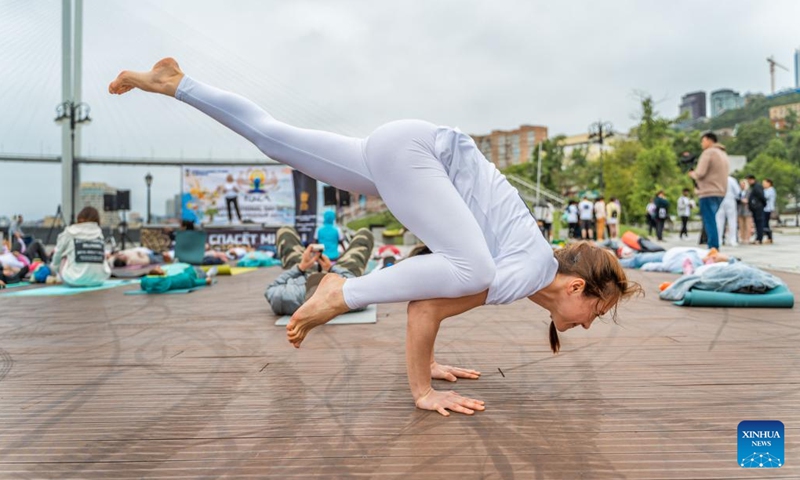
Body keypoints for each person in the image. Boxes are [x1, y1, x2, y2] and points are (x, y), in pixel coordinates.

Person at [110, 58, 641, 416]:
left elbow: (425, 309)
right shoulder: (527, 270)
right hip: (419, 155)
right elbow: (425, 304)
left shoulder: (522, 264)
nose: (591, 324)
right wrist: (422, 393)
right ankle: (340, 291)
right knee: (472, 270)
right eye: (599, 310)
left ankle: (174, 82)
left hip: (407, 148)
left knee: (274, 139)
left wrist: (427, 367)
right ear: (576, 289)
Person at [266, 227, 373, 315]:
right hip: (338, 275)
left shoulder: (291, 297)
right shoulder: (345, 299)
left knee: (285, 231)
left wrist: (300, 267)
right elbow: (359, 288)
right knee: (365, 234)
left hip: (305, 272)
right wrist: (331, 268)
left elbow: (271, 288)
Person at [50, 207, 111, 287]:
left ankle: (60, 275)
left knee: (63, 254)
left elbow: (58, 254)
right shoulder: (99, 234)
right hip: (99, 280)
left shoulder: (69, 232)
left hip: (74, 280)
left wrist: (53, 270)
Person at [689, 132, 730, 250]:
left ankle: (713, 246)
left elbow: (700, 173)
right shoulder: (723, 153)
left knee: (709, 220)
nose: (702, 144)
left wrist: (692, 174)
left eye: (702, 141)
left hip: (708, 191)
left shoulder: (708, 153)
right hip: (721, 191)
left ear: (708, 140)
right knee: (712, 219)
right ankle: (714, 245)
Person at [715, 176, 741, 247]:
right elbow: (738, 191)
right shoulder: (731, 180)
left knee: (719, 221)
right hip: (730, 200)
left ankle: (719, 240)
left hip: (719, 199)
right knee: (732, 221)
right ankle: (732, 240)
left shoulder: (717, 178)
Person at [746, 175, 767, 245]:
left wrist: (762, 204)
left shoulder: (757, 187)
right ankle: (758, 238)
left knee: (759, 223)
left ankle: (759, 238)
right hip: (755, 208)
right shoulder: (754, 187)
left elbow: (761, 196)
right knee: (757, 223)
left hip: (758, 208)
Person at [737, 179, 752, 245]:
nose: (742, 185)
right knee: (741, 225)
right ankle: (742, 238)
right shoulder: (739, 192)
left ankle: (747, 238)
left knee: (748, 225)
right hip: (740, 209)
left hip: (747, 209)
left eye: (743, 184)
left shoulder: (749, 192)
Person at [763, 178, 776, 244]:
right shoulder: (766, 190)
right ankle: (769, 238)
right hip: (765, 209)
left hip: (768, 209)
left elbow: (765, 197)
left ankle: (769, 238)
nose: (763, 184)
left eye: (764, 183)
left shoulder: (771, 190)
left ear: (769, 183)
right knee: (766, 224)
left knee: (765, 223)